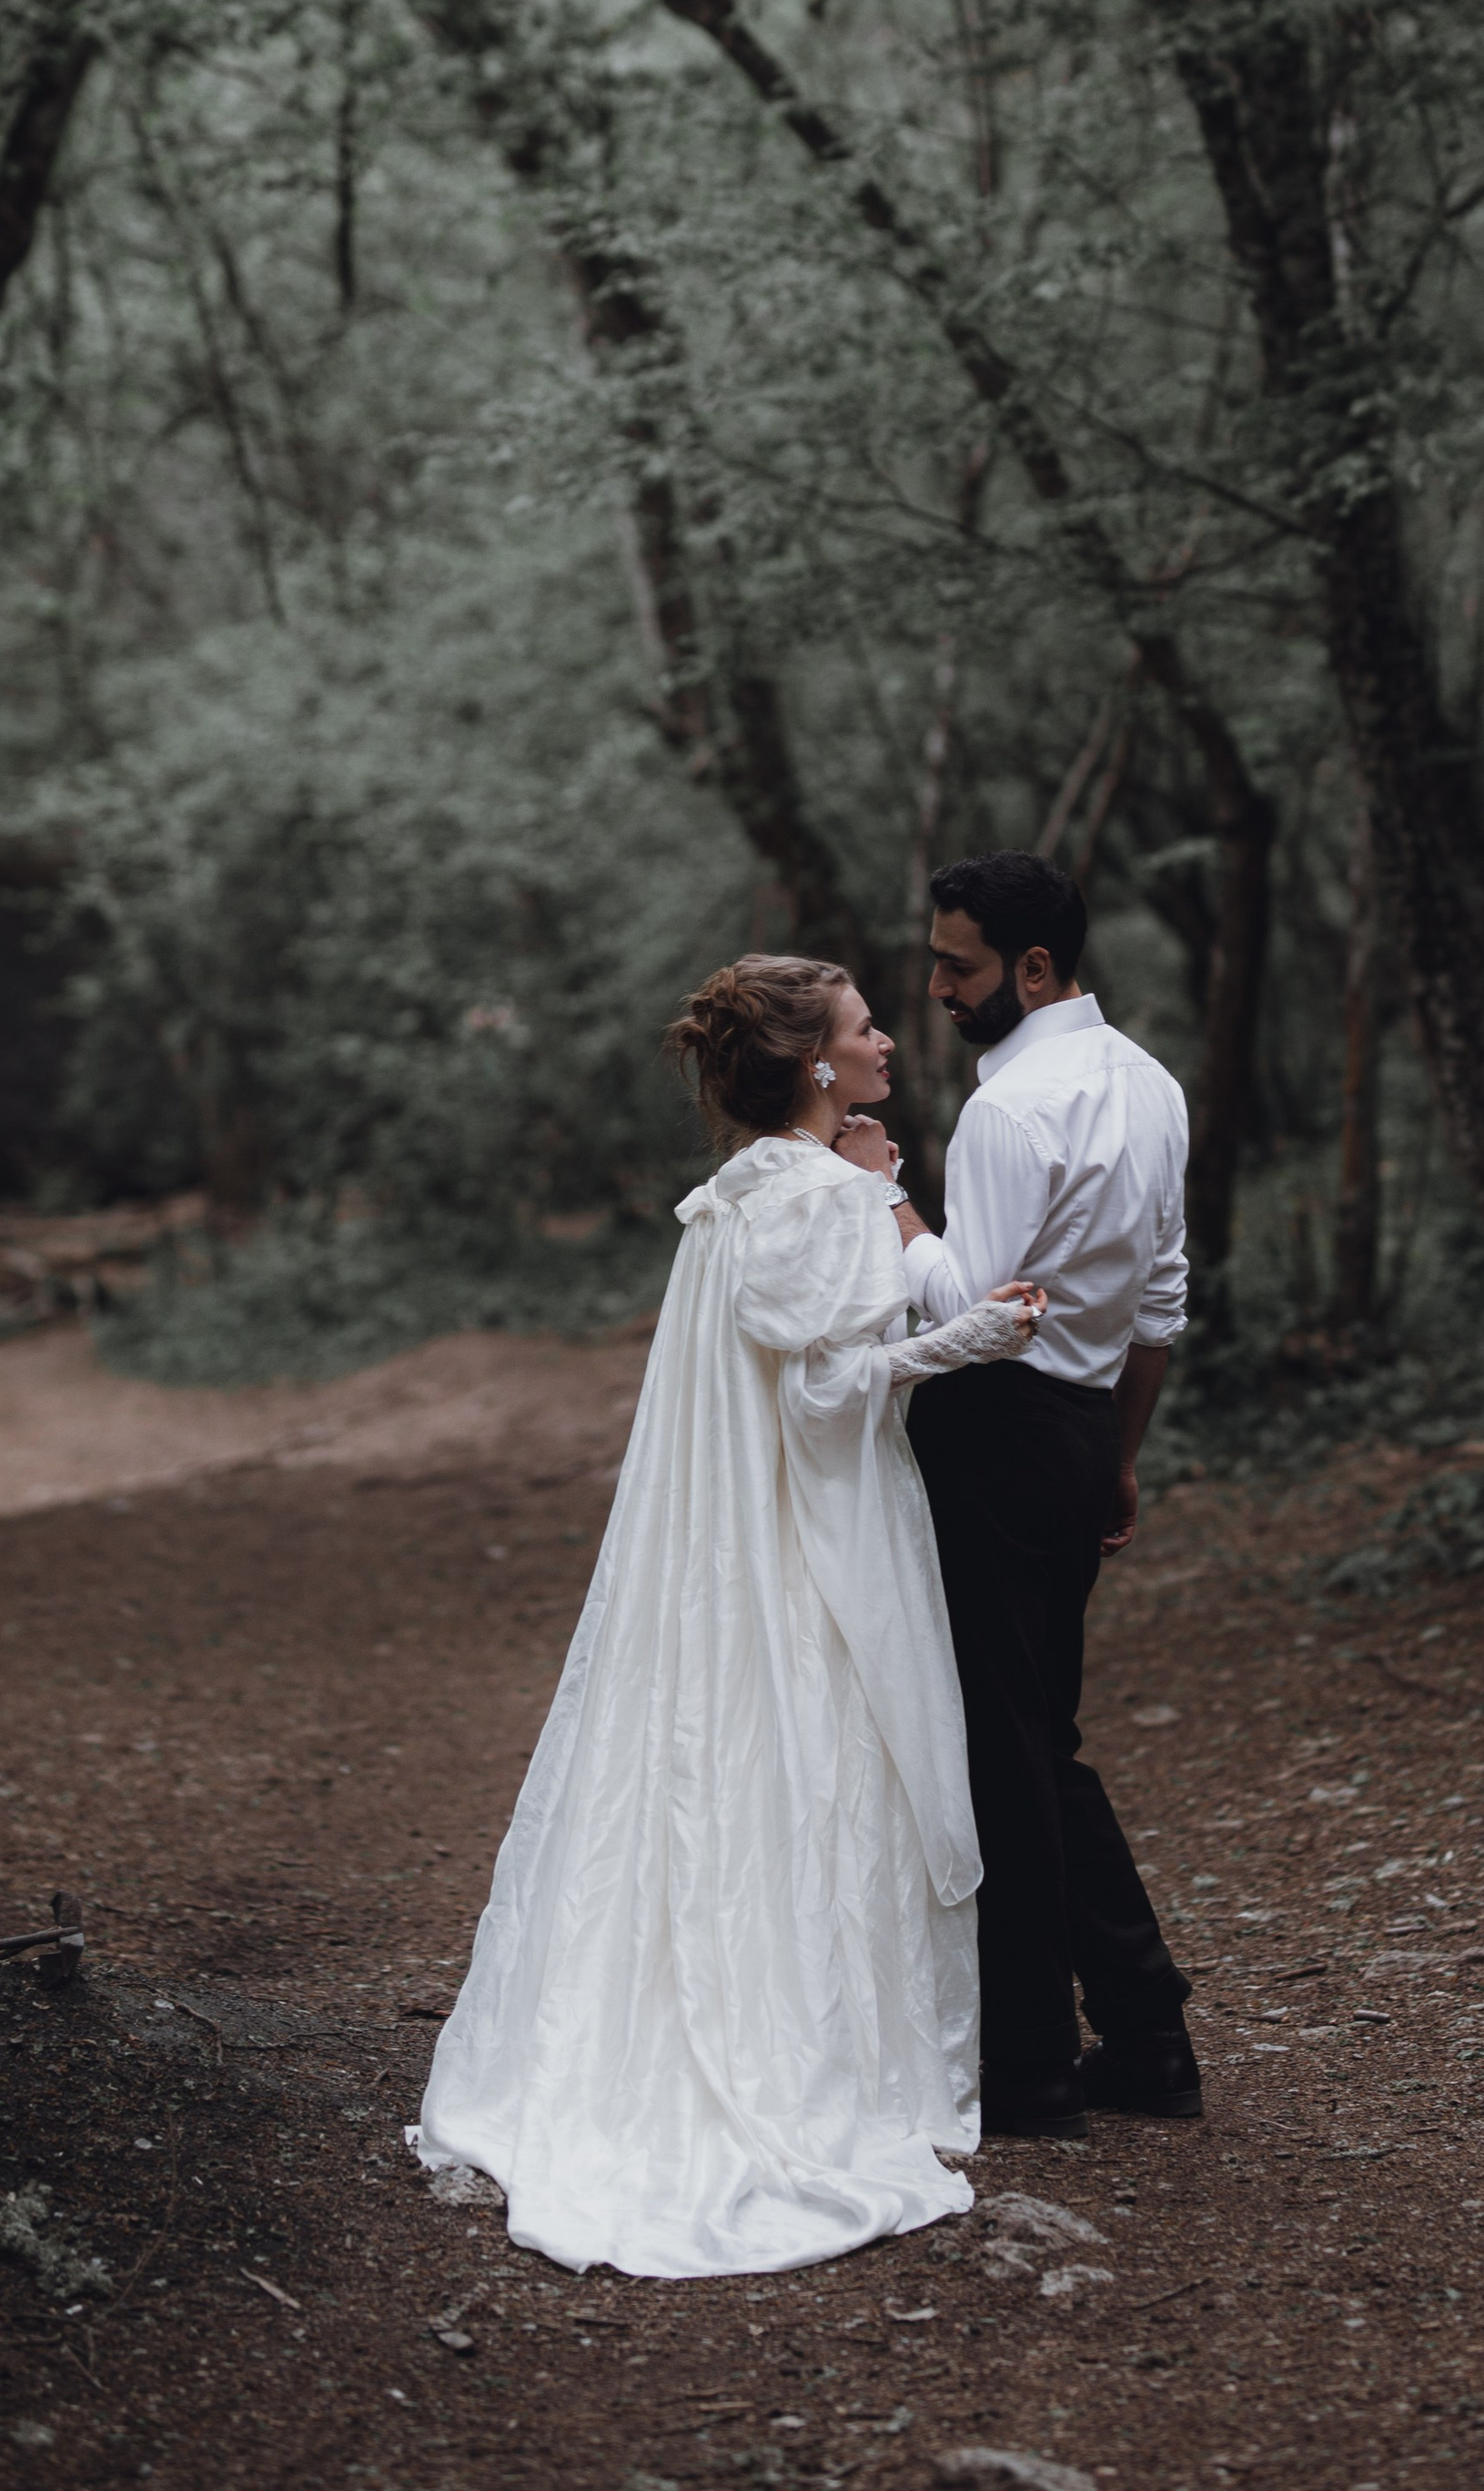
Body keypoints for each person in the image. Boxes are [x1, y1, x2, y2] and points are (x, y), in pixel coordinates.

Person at [409, 954, 1045, 2277]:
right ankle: (820, 2060)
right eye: (863, 1029)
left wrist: (874, 1193)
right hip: (816, 1531)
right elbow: (821, 1399)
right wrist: (967, 1338)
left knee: (746, 1757)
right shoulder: (822, 1198)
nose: (885, 1042)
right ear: (816, 1063)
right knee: (832, 1757)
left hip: (737, 1534)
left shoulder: (749, 1189)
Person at [839, 850, 1198, 2141]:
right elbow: (1159, 1303)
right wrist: (1119, 1454)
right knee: (1041, 1737)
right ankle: (1146, 2035)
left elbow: (972, 1311)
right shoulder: (1150, 1083)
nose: (938, 989)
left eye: (960, 966)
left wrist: (889, 1199)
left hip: (994, 1433)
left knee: (1001, 1747)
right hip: (1082, 1427)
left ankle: (1037, 2066)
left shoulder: (1008, 1112)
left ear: (1033, 969)